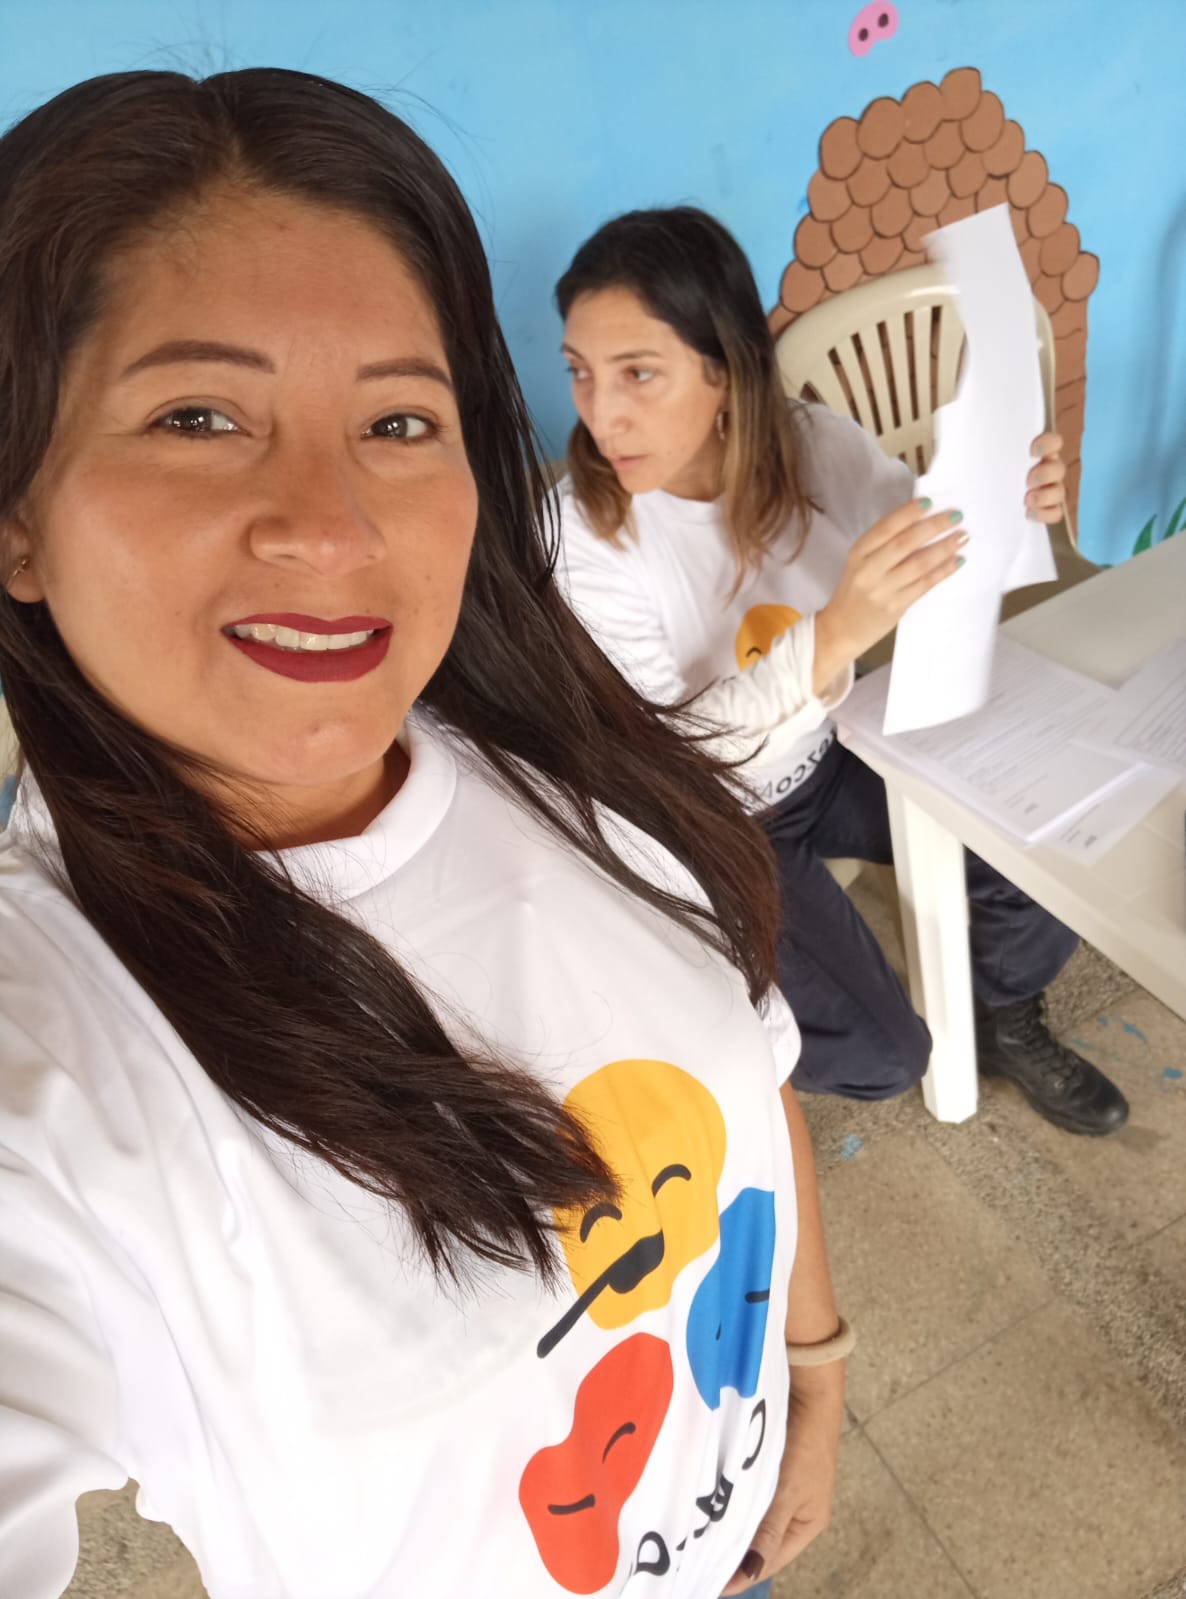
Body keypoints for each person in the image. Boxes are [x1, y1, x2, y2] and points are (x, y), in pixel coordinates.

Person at [0, 73, 845, 1599]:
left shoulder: (577, 760)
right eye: (197, 416)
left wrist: (816, 1372)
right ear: (18, 516)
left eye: (399, 418)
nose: (329, 526)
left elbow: (753, 1067)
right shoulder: (53, 1048)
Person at [553, 206, 1128, 1138]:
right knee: (884, 1055)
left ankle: (1005, 1013)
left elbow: (928, 532)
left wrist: (1012, 498)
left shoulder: (809, 441)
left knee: (1039, 842)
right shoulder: (580, 538)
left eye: (637, 373)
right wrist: (831, 637)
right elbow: (677, 758)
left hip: (830, 748)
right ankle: (718, 1009)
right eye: (580, 372)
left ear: (725, 368)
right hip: (707, 820)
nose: (599, 412)